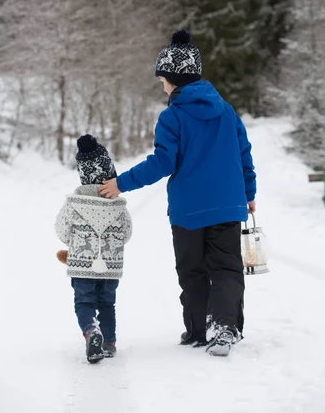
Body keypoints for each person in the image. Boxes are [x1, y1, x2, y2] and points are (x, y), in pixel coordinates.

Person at [99, 30, 256, 357]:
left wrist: (121, 183)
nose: (162, 86)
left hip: (188, 212)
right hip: (229, 206)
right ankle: (224, 326)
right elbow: (244, 156)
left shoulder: (172, 116)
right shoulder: (227, 111)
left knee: (193, 271)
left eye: (162, 80)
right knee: (227, 268)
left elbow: (162, 162)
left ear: (174, 79)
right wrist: (249, 194)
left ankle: (199, 330)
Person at [55, 135, 132, 363]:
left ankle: (91, 331)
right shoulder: (118, 204)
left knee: (84, 302)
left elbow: (61, 230)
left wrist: (76, 244)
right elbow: (127, 233)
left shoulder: (74, 202)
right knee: (107, 303)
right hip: (110, 266)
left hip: (81, 264)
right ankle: (108, 342)